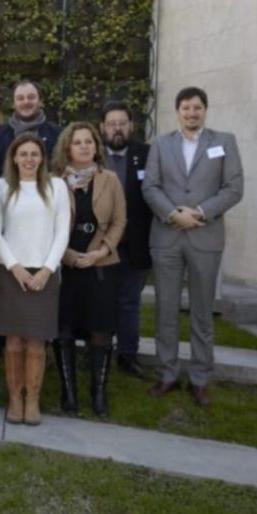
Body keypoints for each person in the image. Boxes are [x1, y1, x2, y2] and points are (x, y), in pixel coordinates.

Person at [142, 87, 243, 407]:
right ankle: (168, 373)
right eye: (186, 108)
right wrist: (174, 214)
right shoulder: (160, 144)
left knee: (202, 312)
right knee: (166, 309)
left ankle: (200, 378)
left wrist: (199, 213)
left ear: (205, 111)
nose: (191, 113)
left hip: (205, 235)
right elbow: (151, 186)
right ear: (177, 112)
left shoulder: (224, 142)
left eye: (197, 108)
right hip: (167, 236)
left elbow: (234, 188)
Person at [0, 132, 70, 425]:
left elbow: (62, 231)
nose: (29, 159)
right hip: (11, 272)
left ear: (43, 158)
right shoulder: (1, 187)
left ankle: (32, 400)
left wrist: (48, 268)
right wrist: (15, 267)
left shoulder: (56, 187)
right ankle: (14, 399)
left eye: (35, 154)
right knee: (12, 342)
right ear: (14, 157)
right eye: (23, 154)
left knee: (37, 342)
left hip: (45, 273)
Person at [0, 79, 63, 365]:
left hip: (43, 218)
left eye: (31, 97)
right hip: (8, 216)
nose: (26, 102)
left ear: (40, 100)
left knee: (42, 295)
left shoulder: (55, 132)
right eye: (21, 98)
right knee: (5, 288)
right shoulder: (0, 134)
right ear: (14, 102)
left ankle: (40, 337)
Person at [51, 123, 126, 417]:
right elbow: (48, 223)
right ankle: (68, 391)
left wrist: (101, 251)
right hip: (65, 266)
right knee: (64, 329)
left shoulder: (110, 180)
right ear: (67, 148)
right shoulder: (55, 181)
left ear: (96, 146)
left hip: (101, 266)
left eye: (89, 142)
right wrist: (67, 255)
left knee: (100, 329)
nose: (83, 146)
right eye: (77, 142)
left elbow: (120, 221)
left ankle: (98, 392)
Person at [100, 101, 154, 377]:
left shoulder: (147, 154)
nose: (117, 129)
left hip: (136, 244)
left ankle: (128, 355)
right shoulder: (92, 155)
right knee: (101, 301)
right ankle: (98, 352)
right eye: (112, 124)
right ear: (103, 128)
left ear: (131, 126)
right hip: (99, 246)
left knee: (129, 302)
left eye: (122, 123)